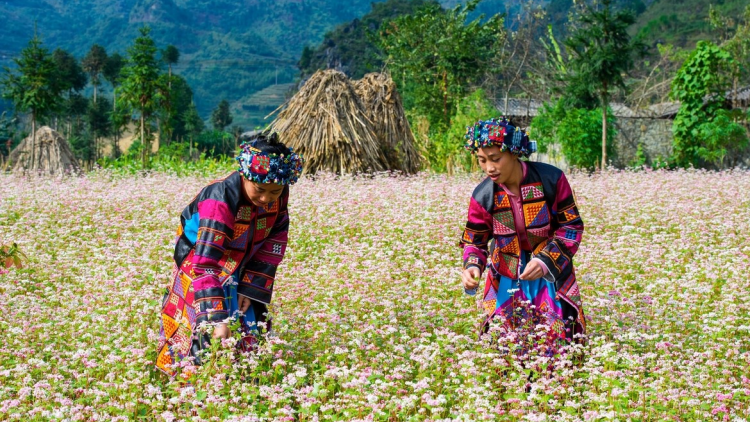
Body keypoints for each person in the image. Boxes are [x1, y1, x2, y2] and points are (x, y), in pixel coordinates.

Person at [156, 131, 303, 376]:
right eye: (259, 189)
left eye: (275, 192)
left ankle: (243, 378)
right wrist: (217, 319)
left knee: (249, 317)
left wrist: (249, 286)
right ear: (245, 176)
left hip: (242, 261)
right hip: (199, 259)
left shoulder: (278, 194)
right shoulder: (220, 198)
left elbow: (273, 241)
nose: (266, 198)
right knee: (202, 328)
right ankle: (192, 386)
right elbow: (205, 264)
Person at [459, 117, 585, 354]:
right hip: (508, 273)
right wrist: (473, 266)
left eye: (496, 159)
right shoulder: (483, 195)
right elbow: (474, 240)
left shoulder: (551, 179)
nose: (489, 168)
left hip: (550, 273)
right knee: (508, 343)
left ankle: (557, 388)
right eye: (482, 161)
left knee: (557, 341)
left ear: (515, 153)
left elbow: (571, 227)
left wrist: (545, 260)